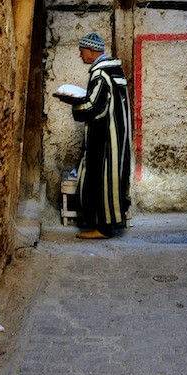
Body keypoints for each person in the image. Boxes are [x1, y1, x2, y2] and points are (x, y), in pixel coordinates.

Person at [70, 32, 132, 240]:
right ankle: (115, 220)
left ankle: (103, 228)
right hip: (117, 135)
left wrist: (73, 103)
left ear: (91, 50)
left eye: (82, 51)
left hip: (104, 138)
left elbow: (95, 107)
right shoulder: (115, 70)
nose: (80, 56)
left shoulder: (100, 74)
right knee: (115, 178)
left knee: (100, 179)